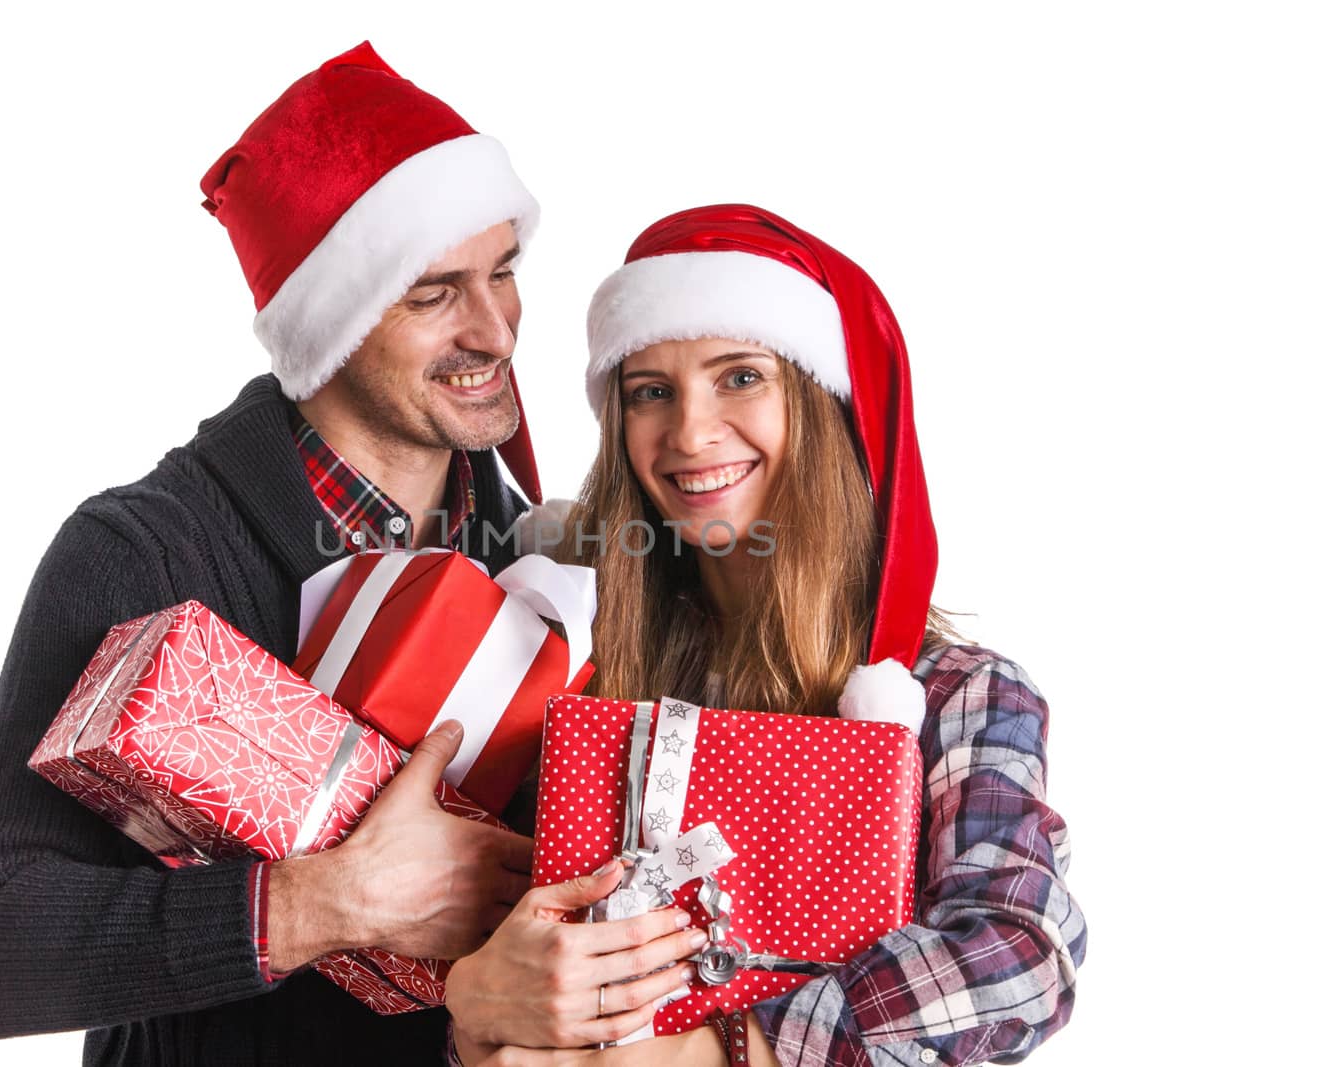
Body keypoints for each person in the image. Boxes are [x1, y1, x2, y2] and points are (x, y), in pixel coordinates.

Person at [0, 42, 549, 1065]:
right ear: (335, 318)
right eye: (434, 293)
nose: (495, 328)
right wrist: (330, 899)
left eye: (504, 271)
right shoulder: (146, 553)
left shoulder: (548, 559)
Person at [444, 205, 1087, 1065]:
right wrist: (477, 1014)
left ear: (819, 405)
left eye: (739, 376)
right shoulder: (580, 668)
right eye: (650, 392)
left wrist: (713, 1052)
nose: (689, 432)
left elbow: (1018, 956)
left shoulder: (956, 694)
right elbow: (499, 955)